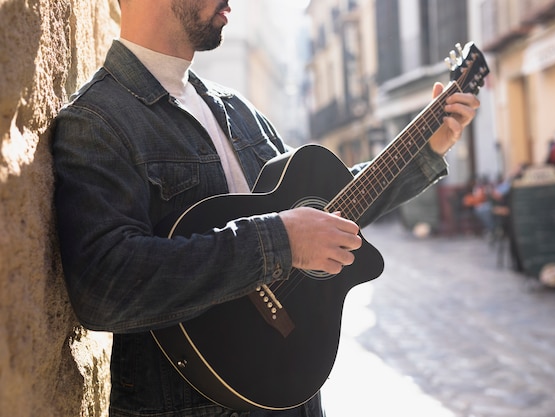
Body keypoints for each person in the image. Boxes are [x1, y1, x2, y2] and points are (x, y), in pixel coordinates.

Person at [51, 1, 480, 416]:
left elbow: (329, 214)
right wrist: (282, 240)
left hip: (292, 393)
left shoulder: (238, 110)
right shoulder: (98, 121)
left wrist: (427, 148)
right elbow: (105, 288)